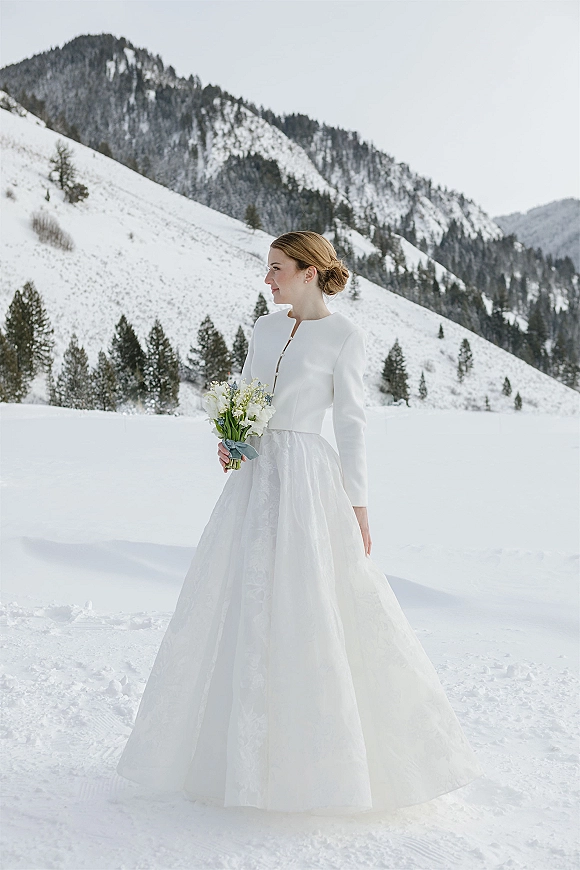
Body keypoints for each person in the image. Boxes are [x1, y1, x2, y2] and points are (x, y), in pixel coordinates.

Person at [116, 231, 484, 814]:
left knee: (312, 600)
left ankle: (323, 763)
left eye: (278, 268)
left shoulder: (344, 336)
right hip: (255, 476)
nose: (268, 279)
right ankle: (230, 757)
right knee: (240, 596)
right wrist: (232, 439)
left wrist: (358, 505)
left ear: (309, 273)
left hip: (311, 480)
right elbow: (247, 391)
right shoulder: (265, 326)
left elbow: (353, 424)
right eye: (268, 269)